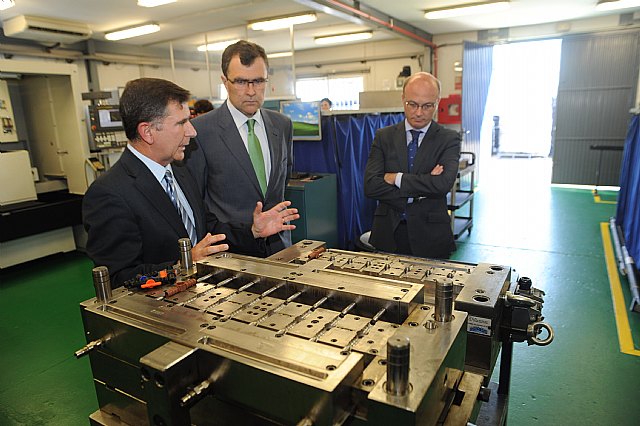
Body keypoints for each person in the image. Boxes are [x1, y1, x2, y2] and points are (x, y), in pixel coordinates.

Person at [82, 78, 299, 288]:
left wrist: (253, 231)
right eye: (181, 123)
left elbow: (208, 228)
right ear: (147, 132)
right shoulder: (109, 194)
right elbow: (119, 278)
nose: (192, 131)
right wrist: (183, 265)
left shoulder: (181, 171)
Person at [186, 40, 294, 256]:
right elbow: (197, 204)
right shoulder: (200, 131)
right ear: (225, 82)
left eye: (258, 81)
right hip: (231, 253)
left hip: (279, 248)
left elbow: (283, 180)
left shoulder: (282, 124)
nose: (251, 91)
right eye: (241, 82)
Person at [364, 72, 461, 259]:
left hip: (431, 236)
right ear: (403, 99)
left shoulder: (449, 139)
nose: (418, 112)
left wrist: (396, 178)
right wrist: (421, 190)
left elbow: (442, 185)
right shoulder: (384, 137)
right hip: (388, 233)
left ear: (437, 103)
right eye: (412, 104)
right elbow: (371, 186)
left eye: (427, 106)